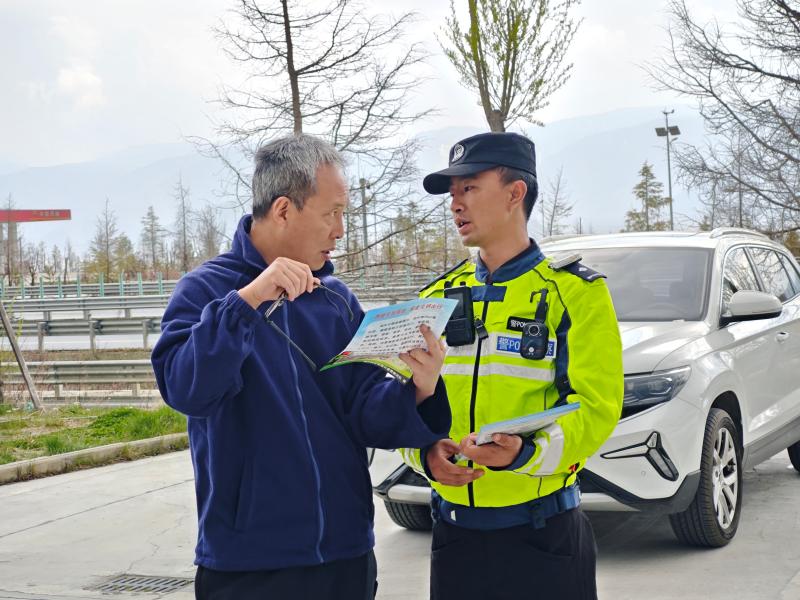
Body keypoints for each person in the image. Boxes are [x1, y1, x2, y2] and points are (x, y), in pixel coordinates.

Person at [151, 133, 450, 600]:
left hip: (346, 555)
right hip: (251, 565)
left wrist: (420, 387)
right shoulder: (205, 292)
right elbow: (187, 389)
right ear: (284, 209)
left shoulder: (335, 299)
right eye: (332, 213)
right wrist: (247, 303)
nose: (341, 230)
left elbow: (363, 411)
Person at [400, 132, 623, 600]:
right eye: (452, 193)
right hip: (455, 540)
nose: (455, 204)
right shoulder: (434, 299)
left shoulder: (575, 293)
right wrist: (425, 455)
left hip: (543, 540)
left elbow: (597, 409)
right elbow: (399, 404)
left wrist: (524, 454)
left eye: (469, 188)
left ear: (514, 193)